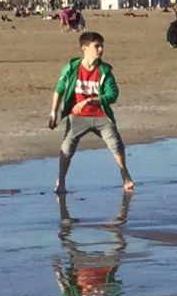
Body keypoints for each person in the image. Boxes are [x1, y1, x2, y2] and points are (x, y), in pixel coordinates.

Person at [48, 30, 135, 193]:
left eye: (102, 46)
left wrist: (91, 100)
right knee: (66, 149)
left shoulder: (105, 71)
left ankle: (125, 175)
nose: (101, 50)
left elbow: (113, 94)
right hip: (77, 117)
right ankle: (61, 182)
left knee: (117, 145)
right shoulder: (71, 68)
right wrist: (54, 113)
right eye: (97, 46)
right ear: (84, 48)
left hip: (101, 116)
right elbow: (59, 89)